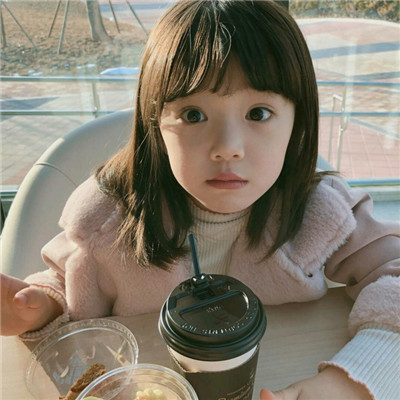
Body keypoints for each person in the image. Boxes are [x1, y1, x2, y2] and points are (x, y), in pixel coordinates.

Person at [1, 1, 399, 399]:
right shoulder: (109, 218)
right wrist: (42, 306)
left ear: (298, 121)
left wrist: (352, 381)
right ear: (156, 125)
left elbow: (393, 273)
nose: (227, 147)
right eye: (193, 115)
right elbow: (65, 281)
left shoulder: (318, 212)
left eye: (258, 114)